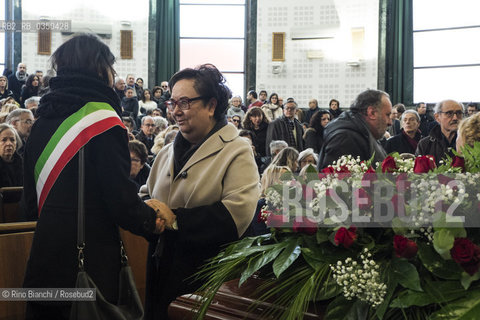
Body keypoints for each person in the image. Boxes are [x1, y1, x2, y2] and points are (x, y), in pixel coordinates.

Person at [21, 34, 164, 319]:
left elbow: (29, 202)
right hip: (89, 264)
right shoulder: (103, 120)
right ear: (99, 70)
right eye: (111, 68)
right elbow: (120, 200)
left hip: (44, 259)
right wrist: (151, 222)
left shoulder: (41, 121)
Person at [141, 64, 259, 320]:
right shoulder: (165, 152)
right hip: (161, 269)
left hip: (207, 278)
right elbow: (146, 194)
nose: (175, 111)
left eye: (184, 102)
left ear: (211, 105)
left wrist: (175, 219)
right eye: (172, 102)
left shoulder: (237, 150)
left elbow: (235, 216)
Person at [318, 89, 392, 169]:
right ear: (372, 113)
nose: (390, 122)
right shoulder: (345, 138)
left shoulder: (362, 133)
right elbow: (336, 178)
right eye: (387, 115)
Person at [416, 99, 464, 165]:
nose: (455, 118)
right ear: (437, 117)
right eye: (449, 113)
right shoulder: (425, 144)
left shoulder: (471, 142)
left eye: (459, 113)